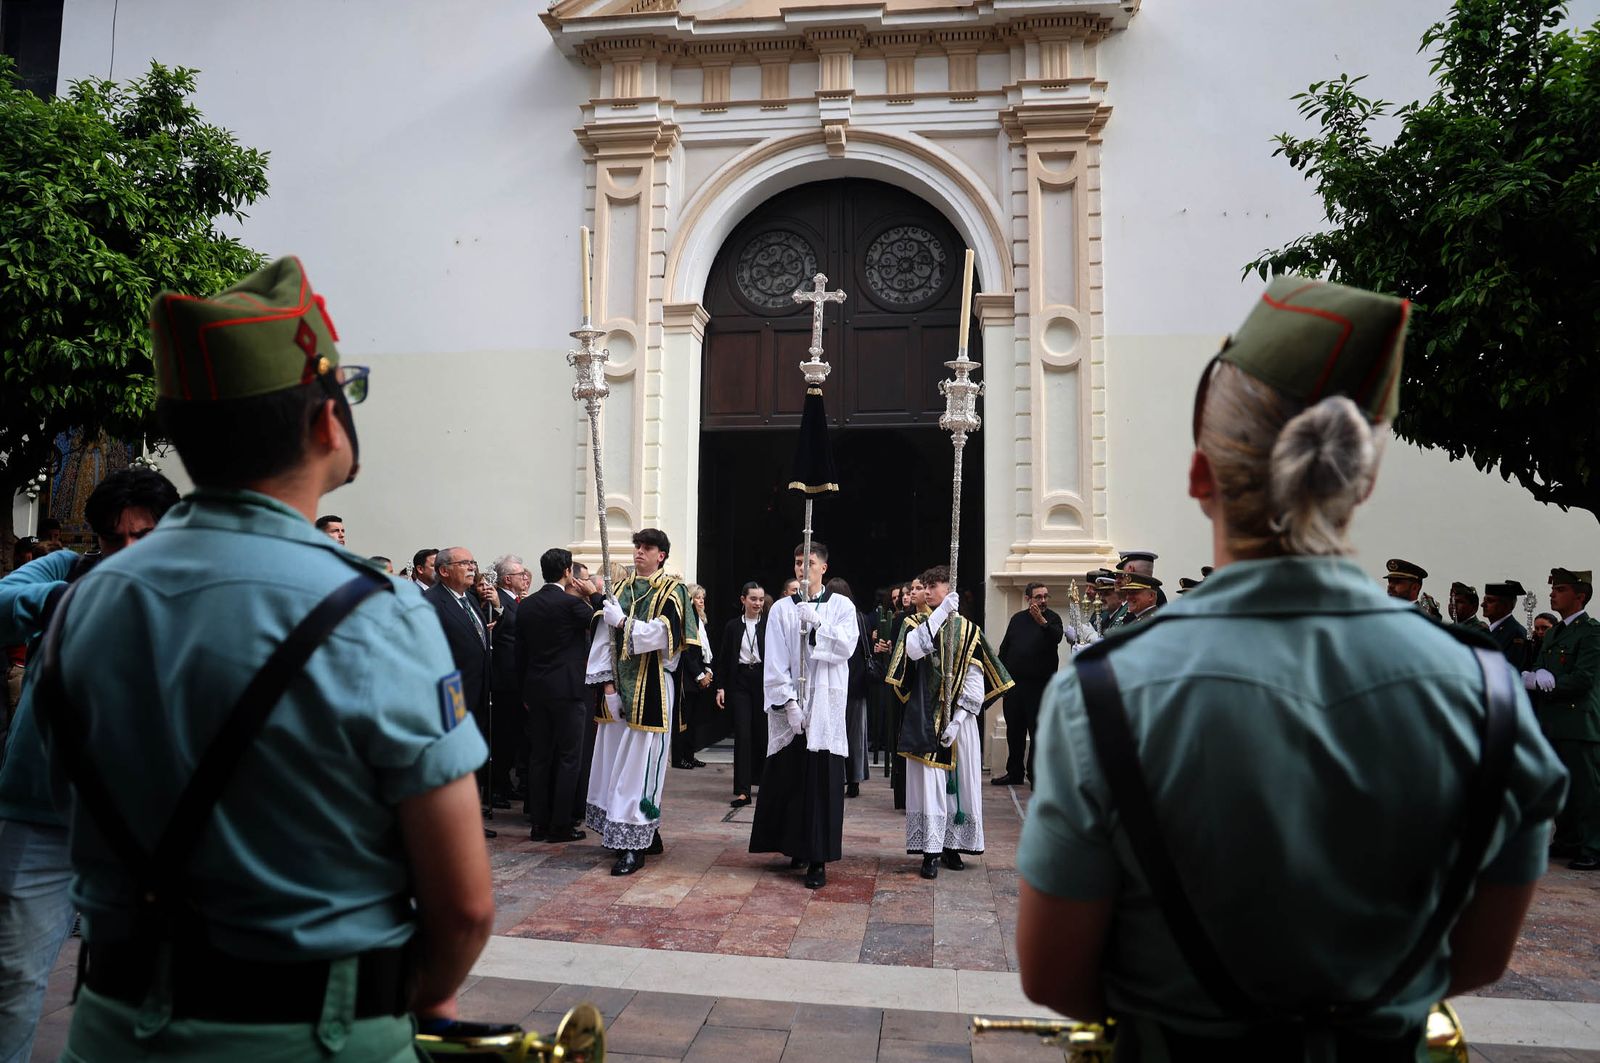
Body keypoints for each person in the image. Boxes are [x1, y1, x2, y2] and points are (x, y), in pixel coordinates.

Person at [1016, 276, 1567, 1058]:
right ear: (1363, 479)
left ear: (1201, 475)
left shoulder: (1106, 690)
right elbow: (1478, 958)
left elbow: (1055, 973)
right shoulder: (1485, 691)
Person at [36, 257, 492, 1059]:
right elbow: (462, 906)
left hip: (112, 1030)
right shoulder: (377, 610)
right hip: (316, 1036)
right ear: (325, 423)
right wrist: (403, 1000)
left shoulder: (86, 603)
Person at [0, 468, 179, 1063]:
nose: (127, 550)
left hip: (144, 830)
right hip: (40, 818)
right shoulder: (67, 570)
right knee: (14, 978)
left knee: (141, 989)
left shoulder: (191, 592)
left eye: (143, 536)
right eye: (113, 538)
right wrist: (64, 597)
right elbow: (2, 603)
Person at [887, 565, 1011, 880]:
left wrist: (959, 718)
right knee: (929, 785)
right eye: (925, 587)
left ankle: (952, 846)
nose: (927, 591)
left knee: (960, 785)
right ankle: (930, 850)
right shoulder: (914, 623)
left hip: (960, 722)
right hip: (925, 718)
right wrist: (940, 613)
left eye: (934, 586)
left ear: (948, 588)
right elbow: (914, 651)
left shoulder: (968, 630)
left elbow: (975, 676)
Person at [586, 529, 695, 875]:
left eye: (646, 548)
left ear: (661, 554)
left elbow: (665, 636)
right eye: (636, 547)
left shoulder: (673, 591)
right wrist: (608, 688)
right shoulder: (618, 589)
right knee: (615, 761)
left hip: (653, 686)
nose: (639, 553)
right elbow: (604, 641)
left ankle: (635, 842)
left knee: (642, 765)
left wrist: (624, 622)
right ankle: (634, 829)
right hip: (619, 687)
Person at [750, 544, 858, 889]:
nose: (802, 569)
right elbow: (776, 658)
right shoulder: (782, 608)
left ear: (823, 568)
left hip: (826, 703)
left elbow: (846, 647)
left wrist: (819, 622)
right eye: (798, 562)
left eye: (809, 563)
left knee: (822, 781)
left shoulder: (841, 605)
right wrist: (788, 703)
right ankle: (795, 846)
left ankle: (818, 858)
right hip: (794, 706)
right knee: (793, 779)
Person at [515, 548, 597, 844]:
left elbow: (519, 653)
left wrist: (524, 689)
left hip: (536, 689)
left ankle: (538, 824)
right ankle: (561, 825)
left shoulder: (527, 605)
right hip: (568, 690)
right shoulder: (571, 606)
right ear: (567, 572)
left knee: (539, 757)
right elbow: (602, 621)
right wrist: (593, 593)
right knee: (568, 757)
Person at [1523, 567, 1600, 871]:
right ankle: (1567, 839)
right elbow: (1541, 663)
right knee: (1562, 787)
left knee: (1587, 790)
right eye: (1554, 588)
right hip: (1553, 720)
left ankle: (1593, 845)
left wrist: (1549, 680)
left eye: (1561, 589)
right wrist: (1533, 674)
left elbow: (1584, 678)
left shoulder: (1592, 631)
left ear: (1580, 596)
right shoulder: (1554, 631)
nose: (1553, 593)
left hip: (1578, 722)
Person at [425, 547, 498, 835]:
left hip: (478, 694)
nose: (471, 568)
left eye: (472, 562)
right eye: (464, 563)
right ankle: (448, 824)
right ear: (444, 571)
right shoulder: (431, 602)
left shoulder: (468, 599)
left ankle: (470, 820)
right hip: (452, 696)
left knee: (473, 759)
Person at [995, 582, 1063, 788]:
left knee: (1037, 731)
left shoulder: (1052, 619)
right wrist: (1001, 678)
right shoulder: (1017, 620)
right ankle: (1014, 772)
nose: (1043, 600)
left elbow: (1057, 637)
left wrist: (1042, 621)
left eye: (1045, 597)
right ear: (1028, 599)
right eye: (1038, 597)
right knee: (1014, 731)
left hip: (1040, 687)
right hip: (1015, 687)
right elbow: (1005, 648)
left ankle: (1036, 774)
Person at [715, 582, 767, 808]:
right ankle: (743, 790)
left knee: (764, 734)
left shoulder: (768, 625)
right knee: (743, 734)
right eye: (753, 599)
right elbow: (724, 658)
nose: (757, 603)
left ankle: (765, 786)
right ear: (743, 600)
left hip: (764, 683)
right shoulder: (733, 626)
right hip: (740, 682)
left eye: (761, 599)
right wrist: (720, 686)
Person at [489, 555, 532, 805]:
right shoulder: (499, 600)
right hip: (504, 678)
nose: (525, 577)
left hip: (516, 676)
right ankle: (496, 786)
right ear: (507, 579)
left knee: (513, 736)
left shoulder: (515, 600)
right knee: (503, 735)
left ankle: (505, 784)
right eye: (520, 574)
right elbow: (508, 627)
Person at [826, 576, 871, 798]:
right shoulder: (859, 618)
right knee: (854, 735)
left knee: (839, 733)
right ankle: (853, 779)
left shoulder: (854, 619)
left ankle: (844, 778)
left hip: (845, 684)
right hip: (853, 685)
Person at [673, 585, 713, 770]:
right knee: (684, 719)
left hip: (698, 676)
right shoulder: (687, 621)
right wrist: (699, 675)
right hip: (687, 678)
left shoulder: (700, 620)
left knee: (695, 719)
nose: (701, 601)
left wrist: (708, 671)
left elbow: (704, 651)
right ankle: (679, 757)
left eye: (703, 597)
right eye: (698, 597)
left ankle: (690, 754)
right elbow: (687, 651)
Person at [1482, 580, 1530, 666]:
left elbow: (1513, 667)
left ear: (1505, 605)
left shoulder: (1516, 633)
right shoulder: (1488, 631)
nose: (1483, 604)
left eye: (1490, 601)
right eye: (1484, 600)